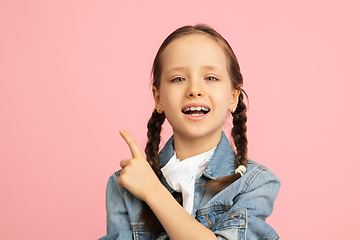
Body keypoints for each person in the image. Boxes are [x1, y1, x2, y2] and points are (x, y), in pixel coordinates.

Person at [99, 24, 280, 240]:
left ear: (233, 97)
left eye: (210, 78)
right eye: (178, 79)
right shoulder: (125, 184)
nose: (194, 89)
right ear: (158, 98)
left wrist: (153, 191)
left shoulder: (255, 182)